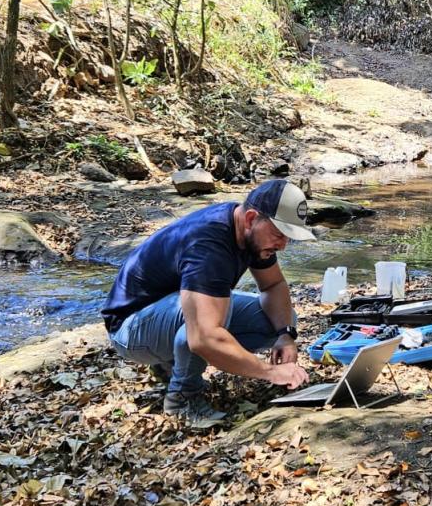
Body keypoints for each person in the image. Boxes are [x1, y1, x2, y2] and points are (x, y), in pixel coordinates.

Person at [101, 179, 315, 422]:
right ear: (251, 218)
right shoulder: (208, 246)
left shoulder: (250, 234)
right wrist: (270, 372)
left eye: (288, 237)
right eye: (279, 234)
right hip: (130, 329)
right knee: (212, 316)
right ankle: (182, 399)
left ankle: (170, 362)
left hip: (165, 315)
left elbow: (273, 285)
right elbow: (205, 337)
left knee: (279, 320)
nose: (283, 245)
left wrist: (286, 335)